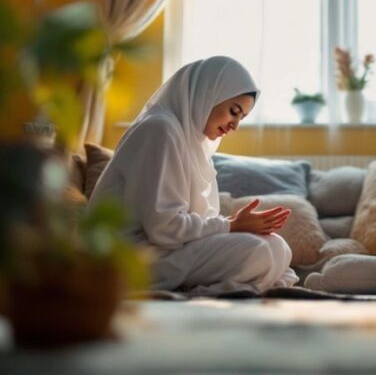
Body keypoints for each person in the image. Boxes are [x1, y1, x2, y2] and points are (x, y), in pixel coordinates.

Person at [89, 56, 298, 294]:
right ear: (209, 94)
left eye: (241, 118)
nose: (235, 126)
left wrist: (234, 227)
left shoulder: (189, 141)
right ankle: (223, 290)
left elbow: (192, 225)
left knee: (278, 248)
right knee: (262, 253)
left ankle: (237, 287)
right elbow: (164, 228)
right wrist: (231, 225)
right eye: (233, 111)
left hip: (165, 250)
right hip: (132, 258)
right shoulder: (160, 130)